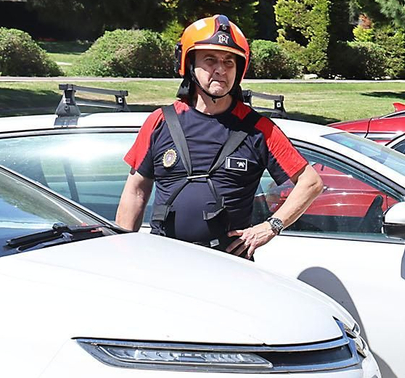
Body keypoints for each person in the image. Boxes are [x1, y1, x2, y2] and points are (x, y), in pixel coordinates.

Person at [117, 15, 321, 256]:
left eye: (229, 62)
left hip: (228, 266)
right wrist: (122, 254)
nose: (221, 70)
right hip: (164, 261)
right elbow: (136, 191)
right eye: (210, 60)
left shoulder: (259, 129)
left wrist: (270, 227)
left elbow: (311, 183)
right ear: (189, 64)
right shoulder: (160, 121)